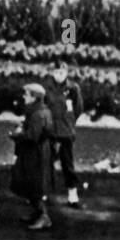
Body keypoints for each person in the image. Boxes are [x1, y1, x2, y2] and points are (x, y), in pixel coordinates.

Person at [10, 82, 54, 231]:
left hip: (35, 154)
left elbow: (32, 136)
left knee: (34, 184)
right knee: (32, 184)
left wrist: (17, 135)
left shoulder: (37, 113)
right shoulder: (40, 111)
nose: (24, 96)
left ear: (34, 97)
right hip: (38, 152)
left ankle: (43, 216)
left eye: (27, 94)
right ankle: (37, 213)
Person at [44, 66, 84, 208]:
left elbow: (78, 108)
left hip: (66, 131)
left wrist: (69, 122)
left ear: (66, 72)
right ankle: (43, 193)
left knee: (67, 163)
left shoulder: (73, 88)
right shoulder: (47, 87)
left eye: (61, 72)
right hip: (50, 130)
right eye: (55, 72)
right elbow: (44, 106)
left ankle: (72, 195)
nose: (58, 75)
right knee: (46, 161)